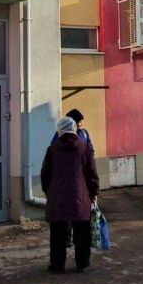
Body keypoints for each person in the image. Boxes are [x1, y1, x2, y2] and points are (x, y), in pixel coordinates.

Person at [40, 116, 99, 274]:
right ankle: (82, 263)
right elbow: (92, 174)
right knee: (82, 231)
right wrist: (93, 193)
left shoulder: (52, 149)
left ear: (59, 130)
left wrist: (49, 192)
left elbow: (45, 174)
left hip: (58, 196)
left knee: (57, 234)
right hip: (80, 196)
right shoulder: (84, 148)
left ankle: (57, 265)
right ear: (74, 129)